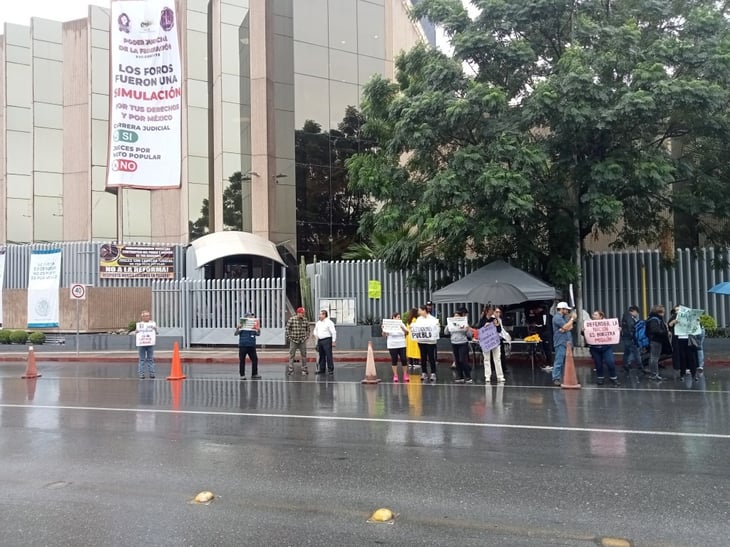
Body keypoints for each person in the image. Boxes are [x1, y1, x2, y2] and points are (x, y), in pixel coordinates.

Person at [585, 310, 620, 386]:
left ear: (601, 316)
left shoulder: (608, 324)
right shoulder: (589, 324)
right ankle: (600, 378)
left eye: (595, 315)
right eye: (593, 315)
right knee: (598, 363)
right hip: (594, 348)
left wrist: (618, 330)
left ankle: (613, 378)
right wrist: (583, 331)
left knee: (610, 362)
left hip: (606, 347)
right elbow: (586, 334)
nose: (593, 316)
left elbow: (613, 332)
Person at [667, 305, 699, 381]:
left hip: (689, 339)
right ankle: (682, 374)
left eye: (678, 310)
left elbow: (696, 326)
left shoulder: (690, 317)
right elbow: (669, 325)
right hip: (679, 340)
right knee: (682, 357)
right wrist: (673, 322)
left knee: (692, 358)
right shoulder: (675, 317)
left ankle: (694, 374)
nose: (677, 312)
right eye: (676, 310)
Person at [551, 302, 577, 386]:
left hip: (567, 341)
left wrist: (566, 326)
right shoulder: (557, 318)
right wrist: (572, 319)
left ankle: (562, 377)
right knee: (559, 360)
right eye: (566, 309)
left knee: (566, 361)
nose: (567, 311)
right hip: (560, 341)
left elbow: (569, 327)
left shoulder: (563, 318)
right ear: (561, 309)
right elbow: (566, 326)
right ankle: (556, 378)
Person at [478, 305, 505, 383]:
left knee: (497, 358)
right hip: (486, 342)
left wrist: (497, 325)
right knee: (486, 359)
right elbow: (479, 329)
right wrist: (485, 325)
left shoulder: (495, 319)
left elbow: (499, 330)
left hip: (495, 341)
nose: (492, 312)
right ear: (487, 311)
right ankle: (487, 376)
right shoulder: (482, 320)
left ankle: (500, 376)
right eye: (491, 310)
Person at [445, 308, 473, 383]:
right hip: (454, 342)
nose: (455, 318)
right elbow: (446, 333)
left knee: (462, 360)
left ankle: (468, 376)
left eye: (457, 316)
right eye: (454, 316)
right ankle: (460, 376)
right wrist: (448, 325)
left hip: (463, 343)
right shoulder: (451, 324)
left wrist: (467, 329)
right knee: (457, 360)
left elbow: (470, 335)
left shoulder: (465, 323)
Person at [414, 304, 440, 382]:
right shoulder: (418, 319)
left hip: (430, 342)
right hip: (421, 341)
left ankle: (433, 373)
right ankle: (424, 372)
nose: (418, 312)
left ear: (424, 310)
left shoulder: (433, 319)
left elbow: (437, 328)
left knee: (431, 357)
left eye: (419, 310)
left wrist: (436, 331)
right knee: (423, 357)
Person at [382, 312, 409, 383]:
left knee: (404, 359)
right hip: (392, 344)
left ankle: (405, 374)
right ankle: (395, 375)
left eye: (400, 317)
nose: (399, 318)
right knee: (394, 359)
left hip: (402, 344)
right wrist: (383, 329)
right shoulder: (389, 324)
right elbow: (384, 335)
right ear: (393, 317)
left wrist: (403, 328)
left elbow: (407, 332)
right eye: (398, 317)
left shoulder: (401, 324)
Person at [645, 305, 670, 382]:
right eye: (663, 311)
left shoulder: (652, 318)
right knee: (655, 358)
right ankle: (654, 374)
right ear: (659, 312)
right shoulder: (654, 320)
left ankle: (652, 373)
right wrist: (665, 332)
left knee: (653, 357)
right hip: (656, 340)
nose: (664, 313)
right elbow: (655, 330)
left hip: (654, 340)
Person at [235, 312, 261, 379]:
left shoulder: (253, 326)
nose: (251, 317)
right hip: (243, 345)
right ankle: (242, 375)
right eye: (250, 316)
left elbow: (258, 334)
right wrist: (237, 328)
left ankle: (254, 374)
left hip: (251, 345)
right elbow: (236, 334)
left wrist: (258, 330)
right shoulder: (242, 325)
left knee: (255, 359)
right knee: (242, 360)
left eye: (252, 316)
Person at [134, 310, 158, 379]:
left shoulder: (152, 324)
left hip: (150, 343)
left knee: (150, 359)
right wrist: (136, 331)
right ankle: (141, 374)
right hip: (142, 344)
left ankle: (152, 373)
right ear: (143, 317)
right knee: (142, 359)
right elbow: (136, 334)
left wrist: (155, 330)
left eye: (148, 315)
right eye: (146, 316)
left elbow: (156, 333)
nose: (148, 317)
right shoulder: (139, 324)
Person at [286, 307, 310, 375]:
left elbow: (308, 329)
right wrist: (289, 337)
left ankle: (304, 369)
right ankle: (291, 369)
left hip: (302, 340)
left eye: (303, 313)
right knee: (292, 355)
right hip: (293, 340)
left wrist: (306, 336)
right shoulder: (292, 319)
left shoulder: (305, 320)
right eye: (302, 313)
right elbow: (287, 329)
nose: (303, 314)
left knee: (304, 355)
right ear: (298, 313)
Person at [313, 309, 337, 375]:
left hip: (327, 340)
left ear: (324, 315)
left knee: (328, 355)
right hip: (320, 340)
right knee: (321, 355)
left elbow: (333, 332)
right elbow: (315, 330)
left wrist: (333, 341)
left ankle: (330, 369)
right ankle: (322, 369)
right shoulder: (318, 323)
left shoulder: (329, 322)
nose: (319, 316)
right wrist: (316, 335)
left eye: (320, 314)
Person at [620, 305, 641, 373]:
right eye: (636, 312)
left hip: (627, 336)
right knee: (635, 351)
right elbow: (631, 326)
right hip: (629, 337)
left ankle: (625, 365)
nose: (637, 314)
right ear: (634, 311)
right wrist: (633, 336)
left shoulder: (627, 316)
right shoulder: (629, 317)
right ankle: (640, 366)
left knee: (627, 351)